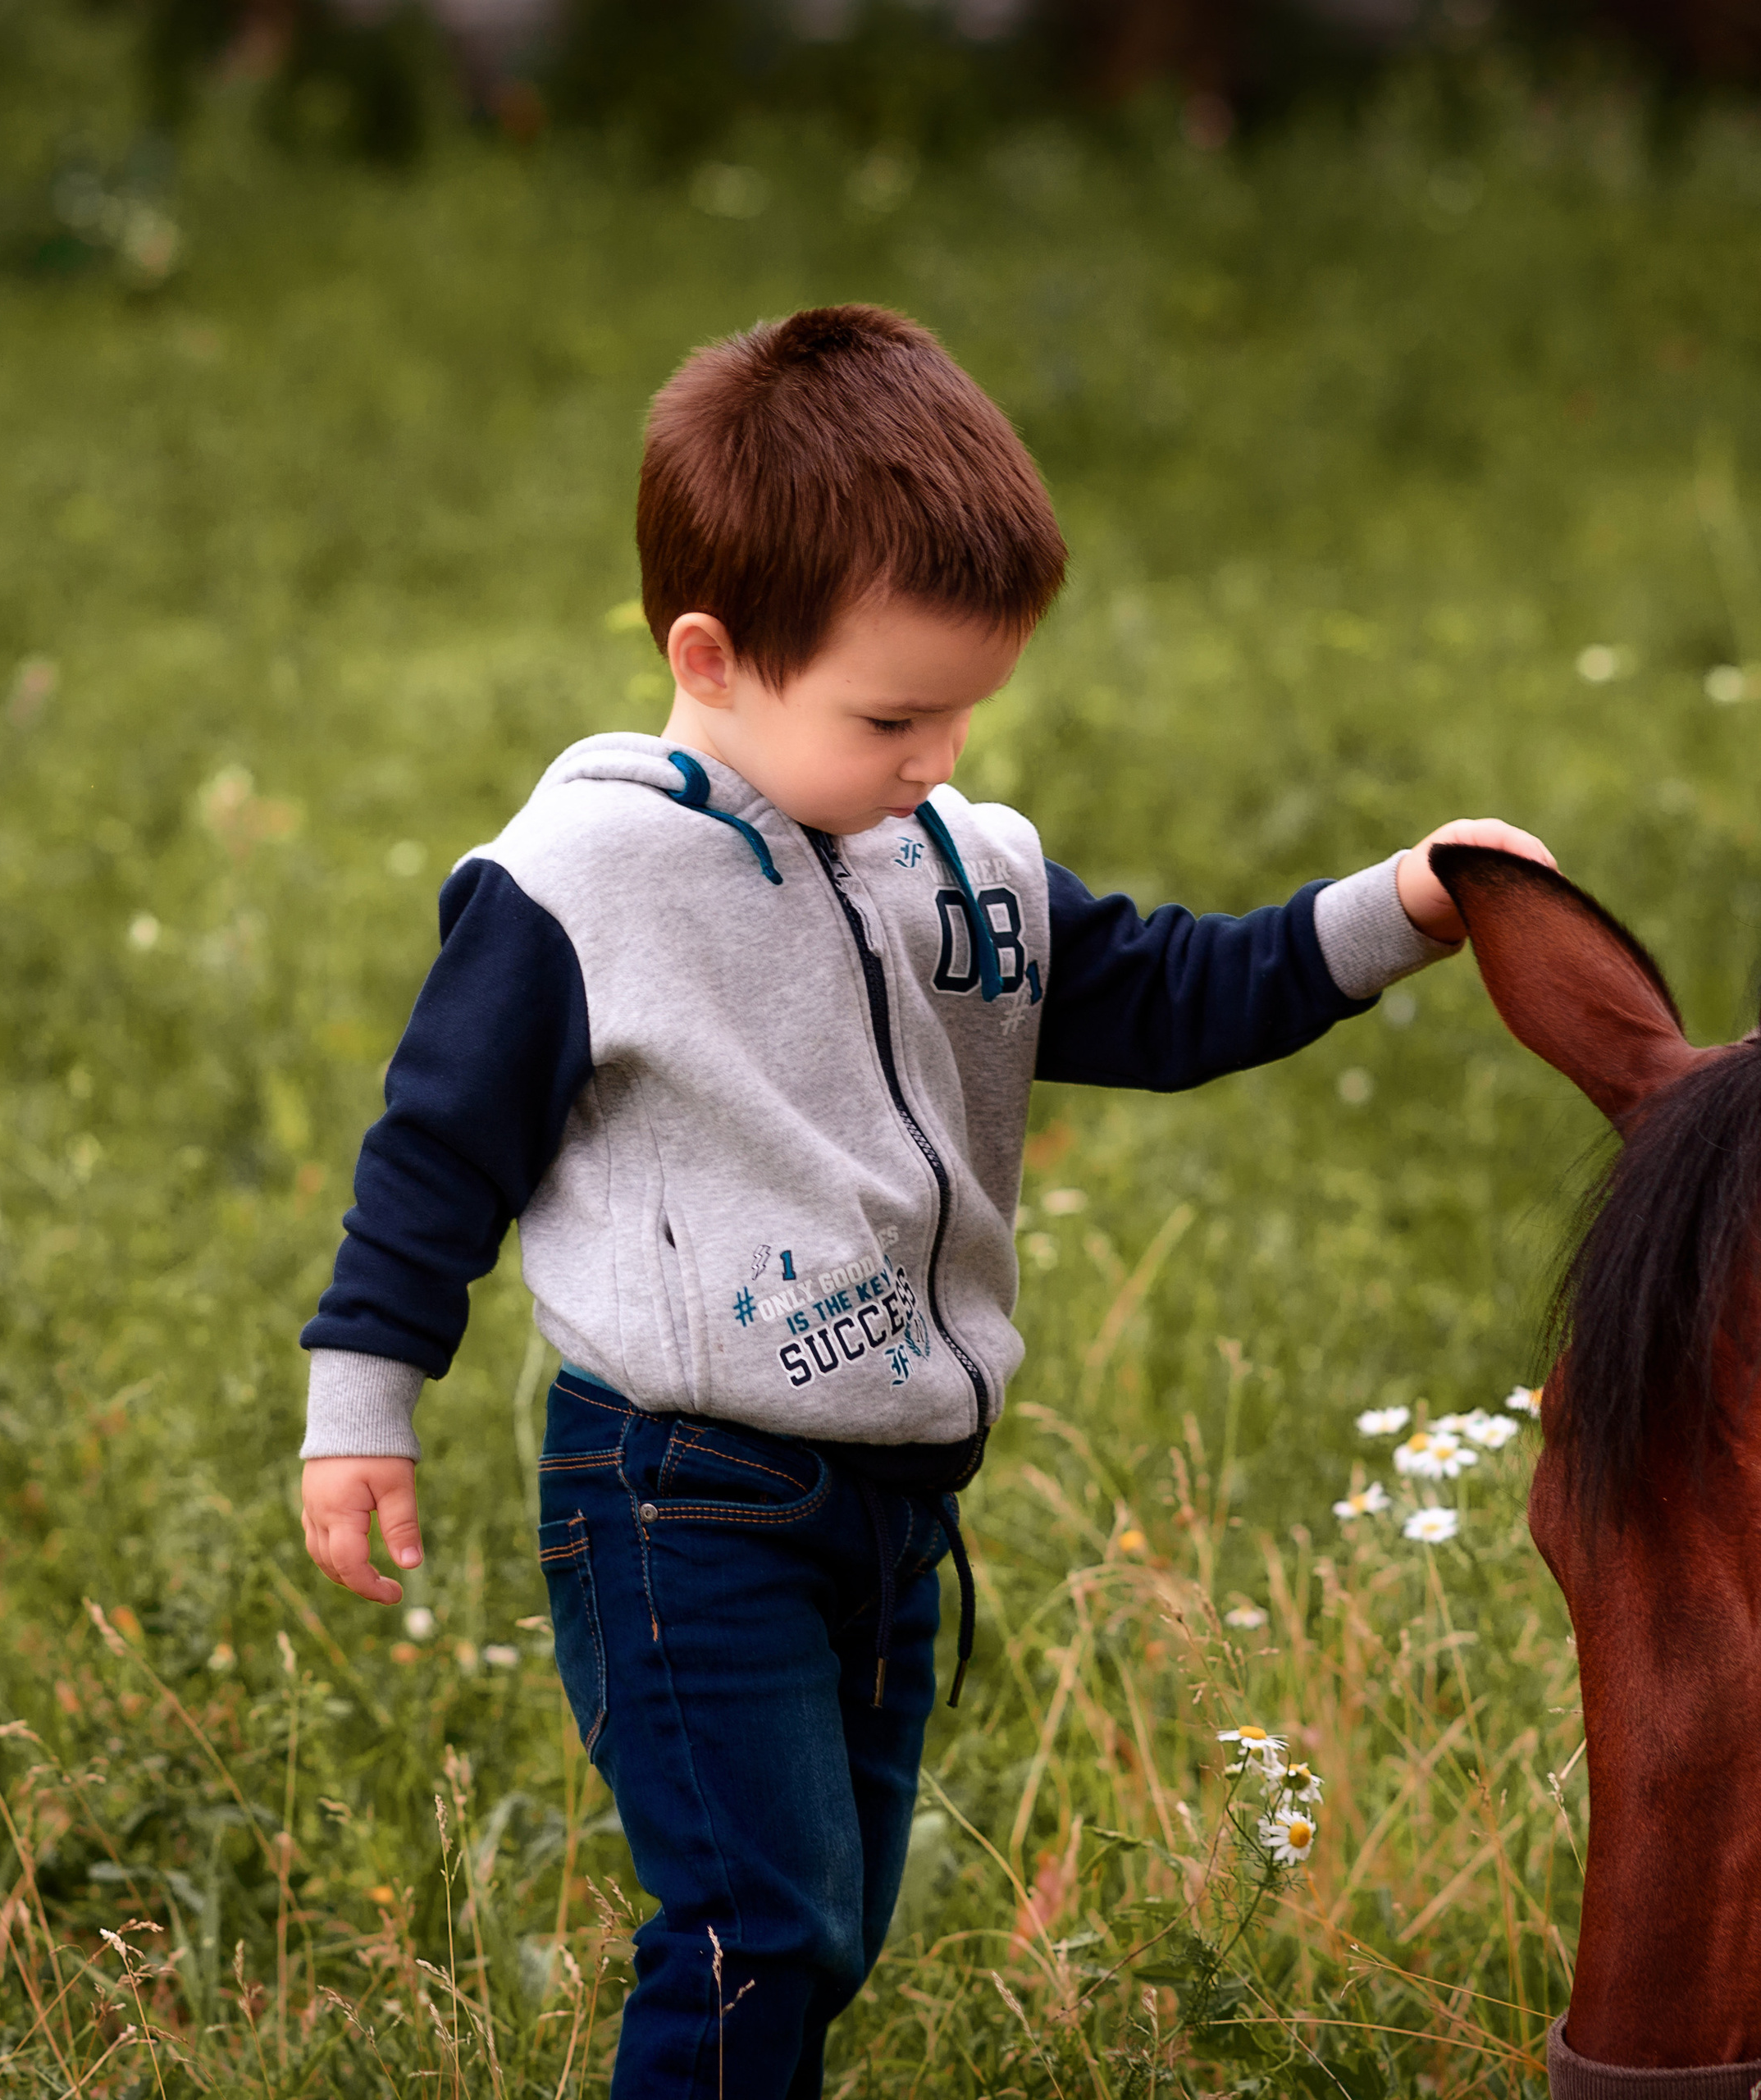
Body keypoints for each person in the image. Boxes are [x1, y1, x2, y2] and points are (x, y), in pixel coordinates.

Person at [296, 304, 1552, 2096]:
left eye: (969, 705)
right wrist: (364, 1404)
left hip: (890, 1503)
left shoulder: (955, 862)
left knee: (832, 1919)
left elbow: (1169, 994)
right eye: (894, 711)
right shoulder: (581, 882)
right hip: (681, 1490)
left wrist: (1402, 905)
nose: (941, 755)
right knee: (755, 1924)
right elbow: (438, 1149)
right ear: (711, 656)